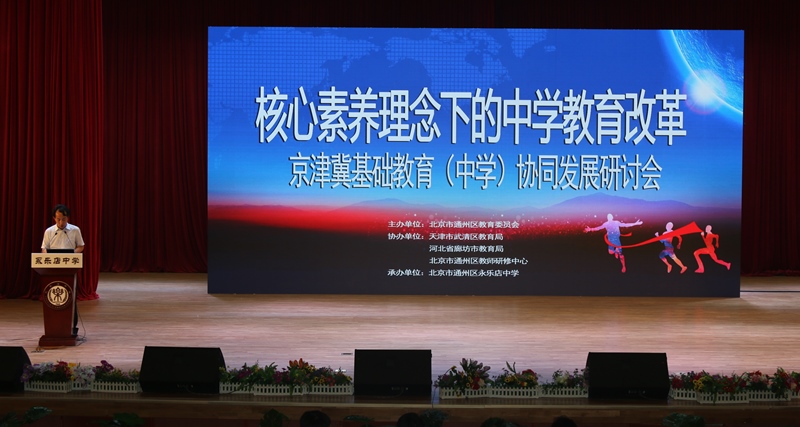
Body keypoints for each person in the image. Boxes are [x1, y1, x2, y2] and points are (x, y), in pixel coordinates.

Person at [41, 204, 85, 336]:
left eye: (64, 219)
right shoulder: (49, 231)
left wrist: (72, 255)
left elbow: (81, 246)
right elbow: (44, 248)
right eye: (58, 219)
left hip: (69, 267)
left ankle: (71, 326)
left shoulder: (75, 230)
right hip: (52, 268)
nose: (61, 222)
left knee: (70, 296)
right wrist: (48, 256)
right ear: (54, 218)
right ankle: (53, 326)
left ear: (68, 218)